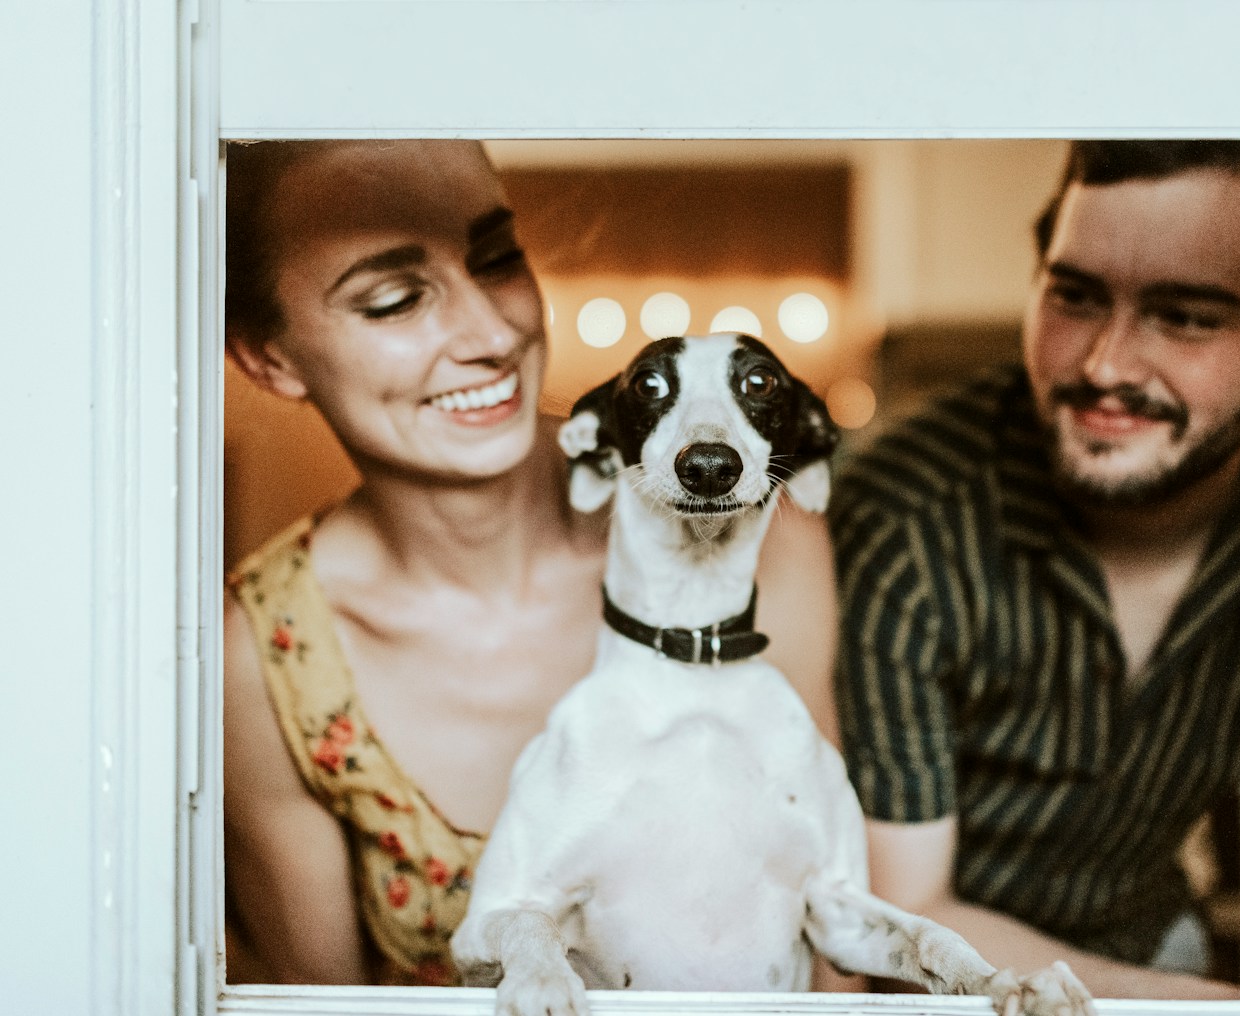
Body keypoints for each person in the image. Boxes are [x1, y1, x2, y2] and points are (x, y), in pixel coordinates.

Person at [829, 140, 1240, 1001]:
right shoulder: (911, 506)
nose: (1105, 365)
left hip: (1150, 954)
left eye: (1186, 315)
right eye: (1074, 296)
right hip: (926, 981)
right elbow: (907, 905)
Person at [221, 140, 839, 986]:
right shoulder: (265, 662)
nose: (491, 333)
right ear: (270, 357)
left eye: (498, 259)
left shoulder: (759, 536)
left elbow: (833, 937)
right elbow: (324, 1009)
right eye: (396, 299)